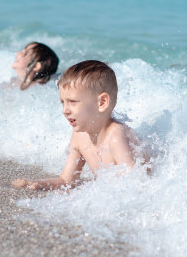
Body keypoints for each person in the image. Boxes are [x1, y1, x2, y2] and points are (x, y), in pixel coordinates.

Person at [12, 60, 140, 190]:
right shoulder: (79, 136)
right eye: (63, 102)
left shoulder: (116, 137)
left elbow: (135, 185)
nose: (65, 110)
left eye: (72, 102)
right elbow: (66, 181)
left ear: (102, 102)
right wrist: (39, 184)